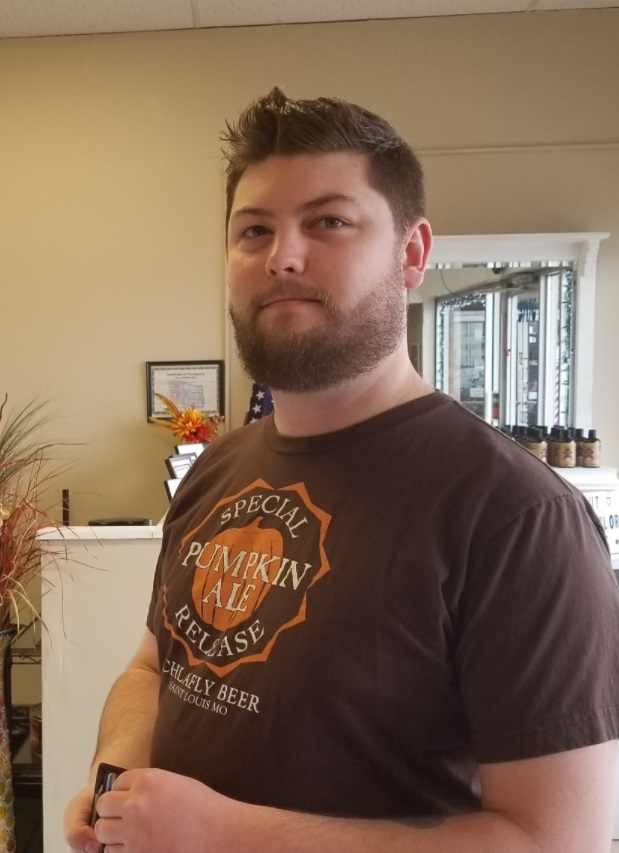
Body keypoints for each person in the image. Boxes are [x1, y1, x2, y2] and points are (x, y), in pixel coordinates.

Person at [65, 88, 619, 853]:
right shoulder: (215, 469)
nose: (281, 255)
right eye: (253, 229)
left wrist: (227, 834)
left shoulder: (515, 518)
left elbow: (555, 839)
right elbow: (152, 668)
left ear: (413, 253)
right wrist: (116, 772)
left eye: (327, 221)